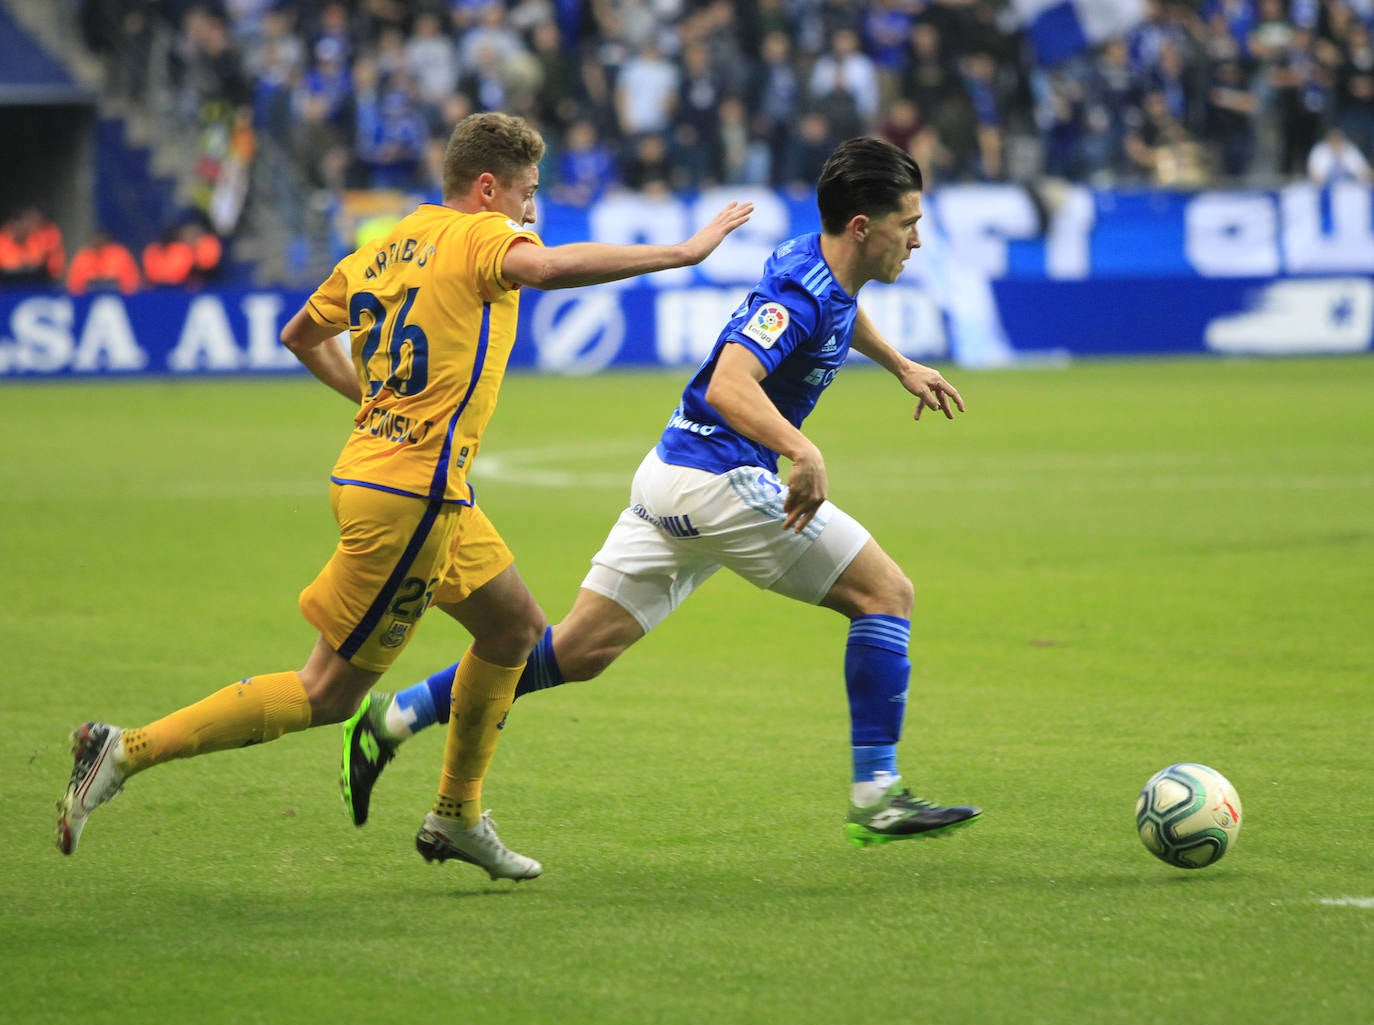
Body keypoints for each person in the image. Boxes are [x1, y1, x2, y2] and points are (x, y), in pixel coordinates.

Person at [55, 112, 753, 881]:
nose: (532, 214)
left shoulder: (382, 246)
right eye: (526, 195)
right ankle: (121, 750)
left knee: (515, 630)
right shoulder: (482, 236)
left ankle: (457, 814)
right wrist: (684, 251)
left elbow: (299, 333)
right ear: (487, 189)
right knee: (325, 691)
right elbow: (547, 270)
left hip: (407, 482)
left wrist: (376, 402)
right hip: (410, 499)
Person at [341, 136, 981, 855]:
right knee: (886, 595)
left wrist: (898, 363)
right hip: (721, 481)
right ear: (863, 226)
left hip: (672, 473)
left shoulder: (816, 260)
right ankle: (877, 792)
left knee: (578, 651)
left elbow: (841, 307)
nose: (919, 239)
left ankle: (391, 719)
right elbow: (728, 385)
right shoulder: (797, 294)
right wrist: (801, 449)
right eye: (909, 222)